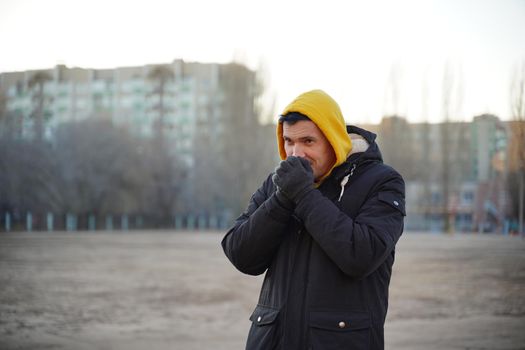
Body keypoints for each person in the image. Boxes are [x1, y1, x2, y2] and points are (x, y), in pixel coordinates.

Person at [221, 89, 405, 350]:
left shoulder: (382, 181)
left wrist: (303, 195)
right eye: (288, 141)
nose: (296, 153)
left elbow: (362, 254)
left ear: (334, 140)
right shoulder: (277, 185)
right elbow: (241, 254)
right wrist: (283, 198)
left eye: (308, 141)